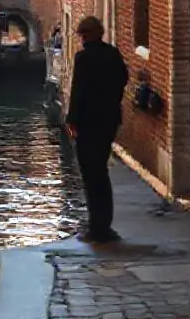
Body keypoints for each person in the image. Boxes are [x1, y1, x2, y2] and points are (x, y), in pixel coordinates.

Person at [65, 15, 129, 243]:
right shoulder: (112, 54)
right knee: (101, 172)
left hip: (88, 123)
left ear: (89, 34)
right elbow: (123, 79)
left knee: (91, 175)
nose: (81, 39)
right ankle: (104, 225)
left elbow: (78, 91)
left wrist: (72, 120)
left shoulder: (84, 58)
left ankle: (96, 228)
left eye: (83, 35)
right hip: (109, 120)